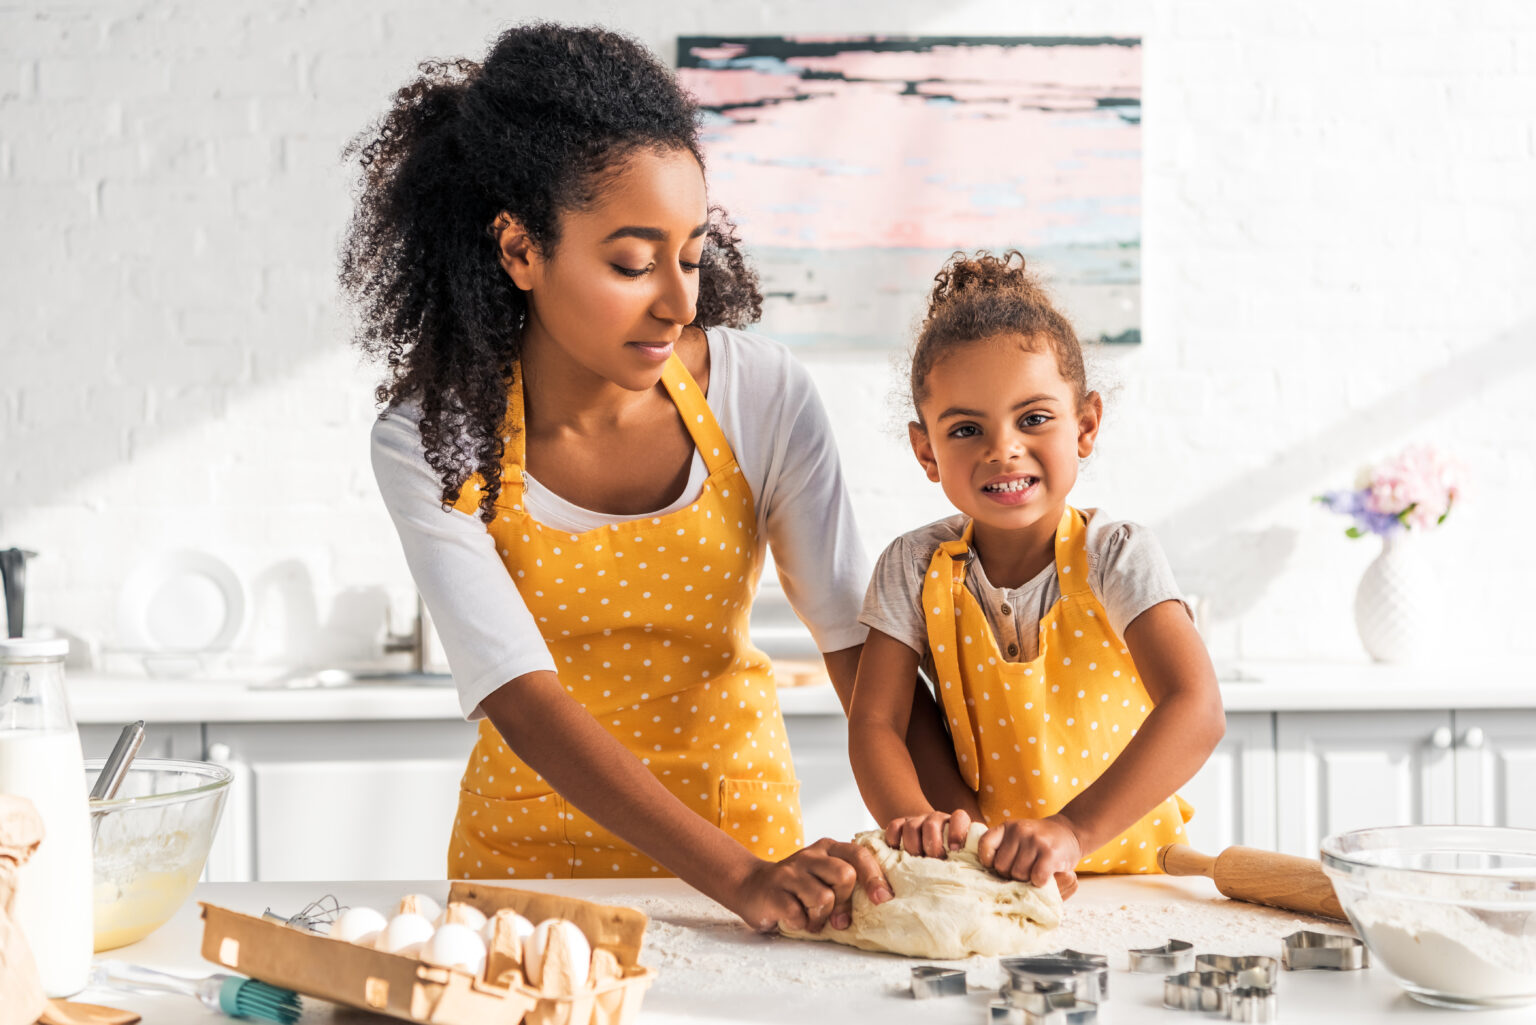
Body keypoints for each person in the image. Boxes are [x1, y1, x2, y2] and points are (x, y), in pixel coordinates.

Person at [344, 22, 964, 935]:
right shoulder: (431, 440)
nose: (678, 301)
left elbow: (856, 649)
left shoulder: (764, 395)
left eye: (689, 255)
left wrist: (963, 832)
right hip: (533, 886)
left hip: (755, 860)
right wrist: (740, 876)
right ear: (519, 250)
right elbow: (523, 696)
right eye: (633, 264)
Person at [848, 251, 1226, 899]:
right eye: (966, 428)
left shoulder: (1116, 554)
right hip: (995, 880)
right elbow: (876, 721)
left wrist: (1073, 831)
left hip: (1131, 879)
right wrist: (913, 821)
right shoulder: (911, 567)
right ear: (925, 452)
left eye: (1034, 418)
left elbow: (1197, 709)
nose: (1003, 448)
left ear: (1086, 425)